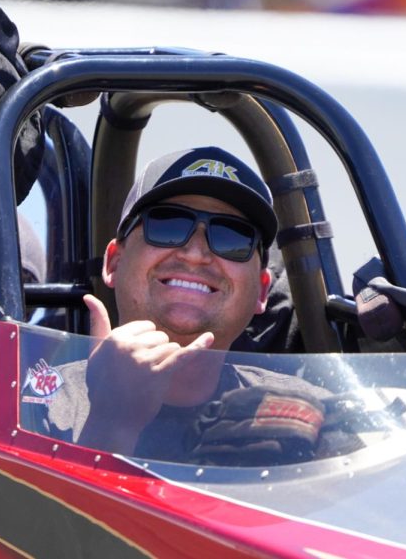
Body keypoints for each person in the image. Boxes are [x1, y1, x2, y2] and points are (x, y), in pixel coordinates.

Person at [37, 147, 329, 462]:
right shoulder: (29, 405)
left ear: (261, 292)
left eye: (232, 237)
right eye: (168, 224)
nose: (195, 252)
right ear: (114, 263)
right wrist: (112, 422)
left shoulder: (310, 416)